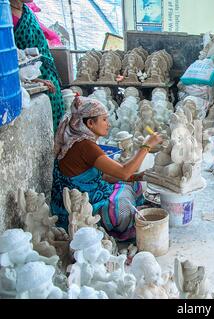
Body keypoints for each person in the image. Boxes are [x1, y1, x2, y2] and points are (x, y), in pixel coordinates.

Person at [50, 96, 163, 241]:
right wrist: (147, 146)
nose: (108, 124)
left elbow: (104, 175)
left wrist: (137, 176)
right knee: (121, 211)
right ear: (90, 123)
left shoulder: (83, 142)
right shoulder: (84, 145)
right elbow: (123, 172)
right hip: (81, 207)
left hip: (95, 189)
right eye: (104, 120)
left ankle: (129, 213)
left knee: (134, 184)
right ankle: (121, 228)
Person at [10, 0, 65, 132]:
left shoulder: (27, 11)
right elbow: (10, 59)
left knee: (58, 121)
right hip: (29, 79)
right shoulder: (5, 15)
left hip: (47, 72)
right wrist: (35, 80)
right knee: (45, 128)